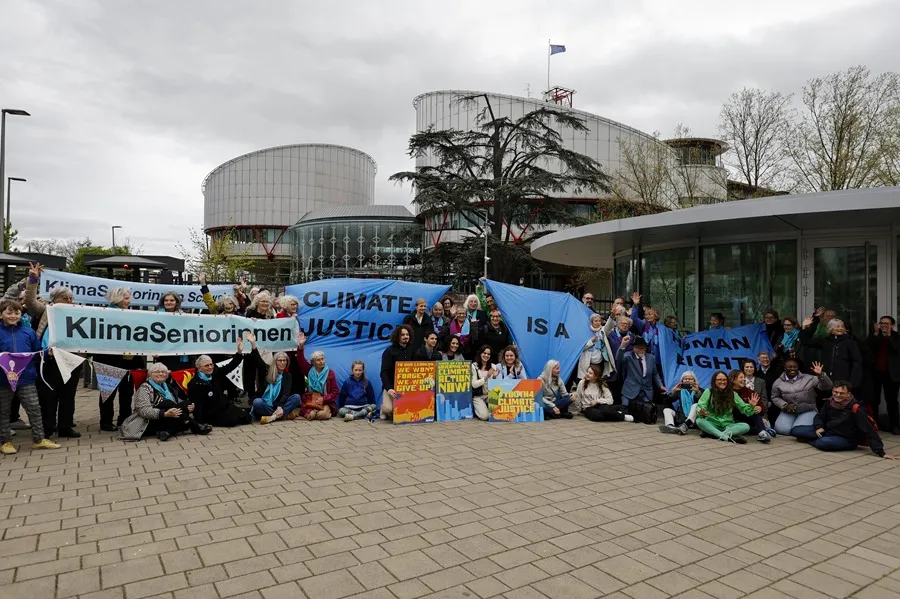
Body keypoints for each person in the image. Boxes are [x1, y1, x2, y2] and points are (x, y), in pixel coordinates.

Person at [25, 262, 82, 438]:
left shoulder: (78, 312)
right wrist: (33, 279)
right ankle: (48, 428)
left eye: (71, 298)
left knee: (68, 395)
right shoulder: (46, 310)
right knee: (48, 395)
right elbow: (29, 301)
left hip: (71, 358)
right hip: (48, 359)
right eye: (65, 299)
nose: (69, 302)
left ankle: (65, 426)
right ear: (55, 299)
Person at [0, 299, 60, 454]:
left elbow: (37, 352)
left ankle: (39, 439)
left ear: (21, 314)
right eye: (9, 312)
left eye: (16, 312)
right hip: (2, 380)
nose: (13, 315)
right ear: (1, 314)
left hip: (26, 378)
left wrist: (48, 353)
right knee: (3, 410)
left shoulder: (28, 332)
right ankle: (5, 441)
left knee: (34, 408)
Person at [119, 362, 212, 441]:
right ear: (150, 374)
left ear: (167, 375)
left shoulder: (167, 387)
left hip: (166, 418)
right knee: (168, 404)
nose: (160, 374)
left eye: (163, 372)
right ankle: (194, 425)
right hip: (147, 422)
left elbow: (178, 403)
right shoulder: (144, 388)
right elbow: (143, 411)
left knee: (185, 403)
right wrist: (164, 414)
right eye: (157, 372)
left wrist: (190, 406)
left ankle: (168, 431)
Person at [793, 381, 888, 458]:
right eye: (835, 392)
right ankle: (816, 438)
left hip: (847, 438)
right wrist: (819, 427)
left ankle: (811, 441)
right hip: (827, 431)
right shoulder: (829, 403)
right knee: (796, 430)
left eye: (841, 393)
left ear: (848, 394)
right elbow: (820, 416)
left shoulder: (856, 409)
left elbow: (869, 430)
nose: (837, 395)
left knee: (824, 443)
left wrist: (881, 452)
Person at [99, 287, 145, 432]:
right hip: (109, 360)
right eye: (125, 298)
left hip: (129, 360)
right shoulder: (105, 314)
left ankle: (124, 419)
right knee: (108, 393)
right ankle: (106, 421)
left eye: (128, 297)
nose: (128, 301)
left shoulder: (130, 314)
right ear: (117, 298)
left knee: (126, 393)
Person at [188, 339, 252, 428]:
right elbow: (197, 404)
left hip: (225, 407)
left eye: (211, 364)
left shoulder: (216, 372)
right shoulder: (194, 384)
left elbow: (231, 366)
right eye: (206, 365)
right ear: (199, 368)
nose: (210, 367)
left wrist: (239, 352)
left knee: (247, 418)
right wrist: (200, 422)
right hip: (210, 413)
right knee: (232, 421)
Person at [695, 370, 761, 444]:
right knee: (699, 421)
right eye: (719, 380)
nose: (722, 382)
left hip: (728, 426)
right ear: (714, 381)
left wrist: (751, 406)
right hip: (712, 423)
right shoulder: (708, 392)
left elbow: (745, 410)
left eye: (724, 380)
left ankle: (715, 434)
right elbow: (700, 406)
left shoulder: (733, 394)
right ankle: (725, 436)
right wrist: (701, 412)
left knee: (746, 426)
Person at [771, 359, 832, 437]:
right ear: (784, 368)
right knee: (782, 430)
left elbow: (827, 387)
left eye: (794, 367)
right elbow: (775, 397)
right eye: (789, 367)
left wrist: (821, 375)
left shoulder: (809, 378)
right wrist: (785, 405)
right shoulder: (778, 382)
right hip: (789, 412)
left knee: (798, 430)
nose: (792, 369)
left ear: (798, 368)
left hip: (807, 410)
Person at [801, 318, 862, 392]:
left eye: (842, 326)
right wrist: (804, 328)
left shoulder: (850, 342)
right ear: (830, 328)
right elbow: (806, 341)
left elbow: (856, 363)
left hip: (844, 382)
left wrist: (852, 383)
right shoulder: (825, 341)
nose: (840, 328)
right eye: (837, 326)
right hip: (827, 381)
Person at [867, 316, 900, 435]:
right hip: (875, 373)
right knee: (874, 399)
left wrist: (889, 336)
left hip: (891, 374)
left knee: (892, 401)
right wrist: (875, 334)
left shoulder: (896, 337)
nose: (883, 325)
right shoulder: (875, 335)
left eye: (886, 323)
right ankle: (874, 423)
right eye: (881, 323)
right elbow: (868, 348)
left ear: (892, 325)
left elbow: (897, 349)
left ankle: (895, 425)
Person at [248, 351, 301, 425]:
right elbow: (259, 364)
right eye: (280, 360)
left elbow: (286, 393)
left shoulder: (287, 376)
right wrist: (253, 345)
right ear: (275, 362)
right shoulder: (267, 373)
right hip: (266, 406)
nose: (282, 362)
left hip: (279, 406)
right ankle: (283, 415)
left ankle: (273, 417)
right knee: (257, 402)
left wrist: (280, 406)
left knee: (296, 397)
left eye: (284, 360)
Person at [296, 333, 338, 420]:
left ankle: (317, 412)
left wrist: (324, 399)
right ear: (313, 362)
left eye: (322, 359)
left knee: (322, 415)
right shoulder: (309, 371)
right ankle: (314, 411)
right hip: (311, 399)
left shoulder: (330, 373)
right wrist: (300, 346)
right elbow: (301, 361)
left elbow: (335, 392)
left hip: (325, 400)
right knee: (311, 415)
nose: (321, 361)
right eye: (318, 360)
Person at [243, 290, 276, 400]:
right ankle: (251, 395)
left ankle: (262, 393)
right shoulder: (250, 312)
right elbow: (245, 325)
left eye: (267, 302)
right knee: (250, 371)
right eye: (263, 301)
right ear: (257, 302)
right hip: (251, 347)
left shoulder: (270, 314)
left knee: (263, 370)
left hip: (265, 348)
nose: (265, 304)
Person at [616, 336, 665, 408]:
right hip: (629, 392)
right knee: (625, 412)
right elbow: (619, 359)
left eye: (643, 348)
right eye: (639, 348)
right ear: (634, 348)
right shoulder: (628, 356)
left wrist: (660, 386)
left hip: (646, 392)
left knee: (645, 414)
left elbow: (655, 374)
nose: (641, 350)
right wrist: (623, 346)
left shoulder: (651, 358)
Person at [379, 324, 415, 420]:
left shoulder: (412, 350)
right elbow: (384, 373)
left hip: (407, 386)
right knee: (389, 409)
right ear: (397, 336)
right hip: (392, 387)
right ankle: (383, 408)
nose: (405, 337)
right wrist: (389, 388)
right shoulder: (389, 351)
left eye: (407, 334)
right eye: (402, 335)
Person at [155, 291, 194, 372]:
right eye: (166, 300)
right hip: (163, 354)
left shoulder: (184, 316)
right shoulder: (156, 315)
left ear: (177, 302)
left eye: (172, 300)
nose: (169, 302)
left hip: (179, 354)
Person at [729, 369, 771, 443]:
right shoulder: (727, 392)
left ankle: (762, 433)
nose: (744, 379)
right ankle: (765, 430)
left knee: (754, 409)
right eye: (741, 377)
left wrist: (760, 408)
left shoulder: (749, 392)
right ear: (733, 379)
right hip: (733, 421)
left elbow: (761, 407)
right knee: (745, 428)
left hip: (748, 418)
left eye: (744, 377)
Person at [576, 312, 616, 382]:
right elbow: (580, 348)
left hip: (599, 362)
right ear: (591, 322)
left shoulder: (602, 330)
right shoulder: (586, 331)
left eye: (599, 321)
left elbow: (609, 327)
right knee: (587, 381)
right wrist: (591, 341)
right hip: (587, 362)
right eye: (596, 321)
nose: (598, 323)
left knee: (598, 381)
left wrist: (611, 316)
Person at [742, 359, 775, 436]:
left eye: (751, 367)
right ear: (743, 368)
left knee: (767, 426)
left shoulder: (761, 381)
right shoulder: (740, 380)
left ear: (755, 368)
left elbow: (764, 400)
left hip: (758, 412)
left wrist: (764, 416)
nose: (749, 369)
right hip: (744, 412)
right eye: (747, 367)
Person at [471, 345, 496, 421]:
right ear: (480, 353)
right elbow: (474, 384)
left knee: (500, 411)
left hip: (490, 395)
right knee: (484, 416)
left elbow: (497, 384)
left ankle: (488, 409)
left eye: (488, 354)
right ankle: (479, 409)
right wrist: (487, 377)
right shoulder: (474, 366)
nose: (486, 355)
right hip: (479, 395)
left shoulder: (493, 366)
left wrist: (494, 377)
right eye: (484, 353)